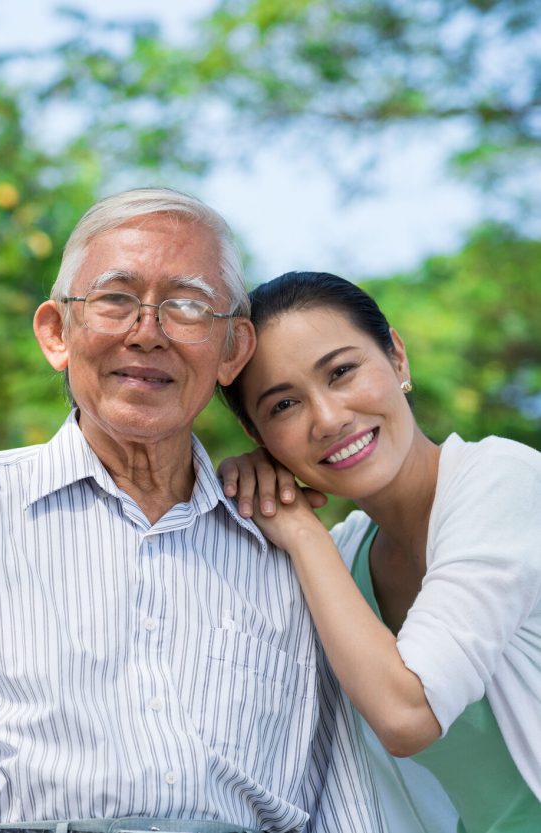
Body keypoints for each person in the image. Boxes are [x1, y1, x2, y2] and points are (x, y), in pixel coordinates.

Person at [0, 195, 386, 833]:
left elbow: (341, 802)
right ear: (58, 333)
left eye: (188, 305)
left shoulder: (289, 544)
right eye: (116, 299)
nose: (147, 332)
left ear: (233, 349)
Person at [219, 270, 541, 833]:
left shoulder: (503, 480)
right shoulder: (343, 560)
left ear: (396, 357)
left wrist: (299, 529)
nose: (328, 418)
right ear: (259, 438)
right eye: (284, 405)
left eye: (342, 372)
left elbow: (407, 714)